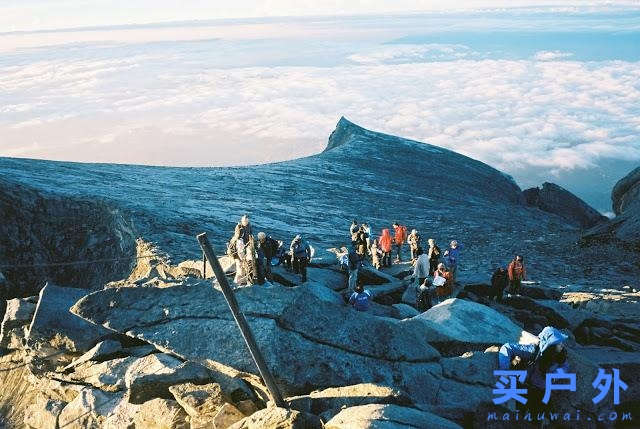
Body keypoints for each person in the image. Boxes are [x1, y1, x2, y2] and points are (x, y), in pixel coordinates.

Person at [498, 326, 569, 414]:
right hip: (523, 387)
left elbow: (565, 366)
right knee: (519, 413)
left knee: (539, 416)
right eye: (559, 343)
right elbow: (507, 347)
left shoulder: (560, 355)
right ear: (550, 345)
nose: (562, 345)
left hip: (540, 391)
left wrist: (555, 376)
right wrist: (505, 371)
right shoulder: (533, 351)